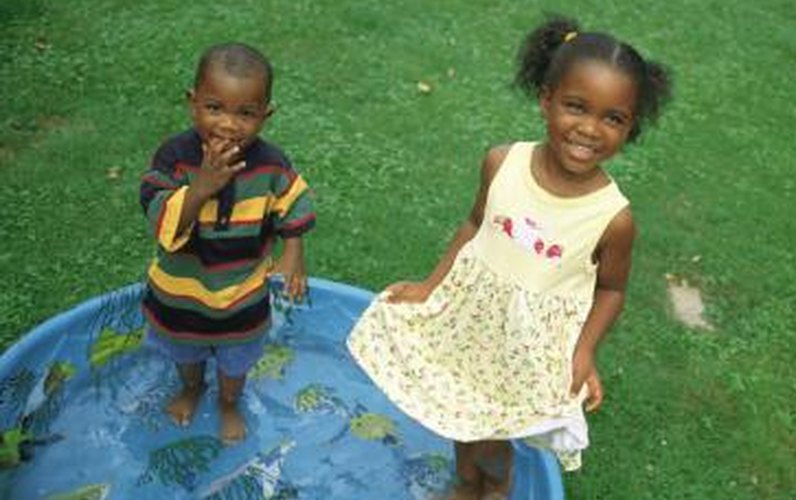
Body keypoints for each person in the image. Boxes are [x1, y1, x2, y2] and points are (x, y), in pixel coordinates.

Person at [347, 15, 671, 499]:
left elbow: (611, 290)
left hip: (525, 345)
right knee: (462, 417)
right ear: (546, 99)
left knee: (492, 435)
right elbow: (475, 226)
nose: (589, 129)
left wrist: (584, 352)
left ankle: (496, 488)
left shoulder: (612, 216)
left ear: (630, 127)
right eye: (576, 107)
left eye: (613, 118)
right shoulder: (503, 163)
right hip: (470, 321)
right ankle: (465, 483)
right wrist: (429, 287)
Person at [139, 43, 315, 444]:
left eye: (245, 113)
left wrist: (293, 251)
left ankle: (229, 404)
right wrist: (200, 187)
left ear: (265, 116)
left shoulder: (271, 164)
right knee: (185, 354)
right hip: (181, 294)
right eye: (215, 108)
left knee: (237, 361)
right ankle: (191, 388)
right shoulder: (176, 157)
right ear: (193, 102)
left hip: (242, 296)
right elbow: (157, 213)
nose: (229, 124)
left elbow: (295, 199)